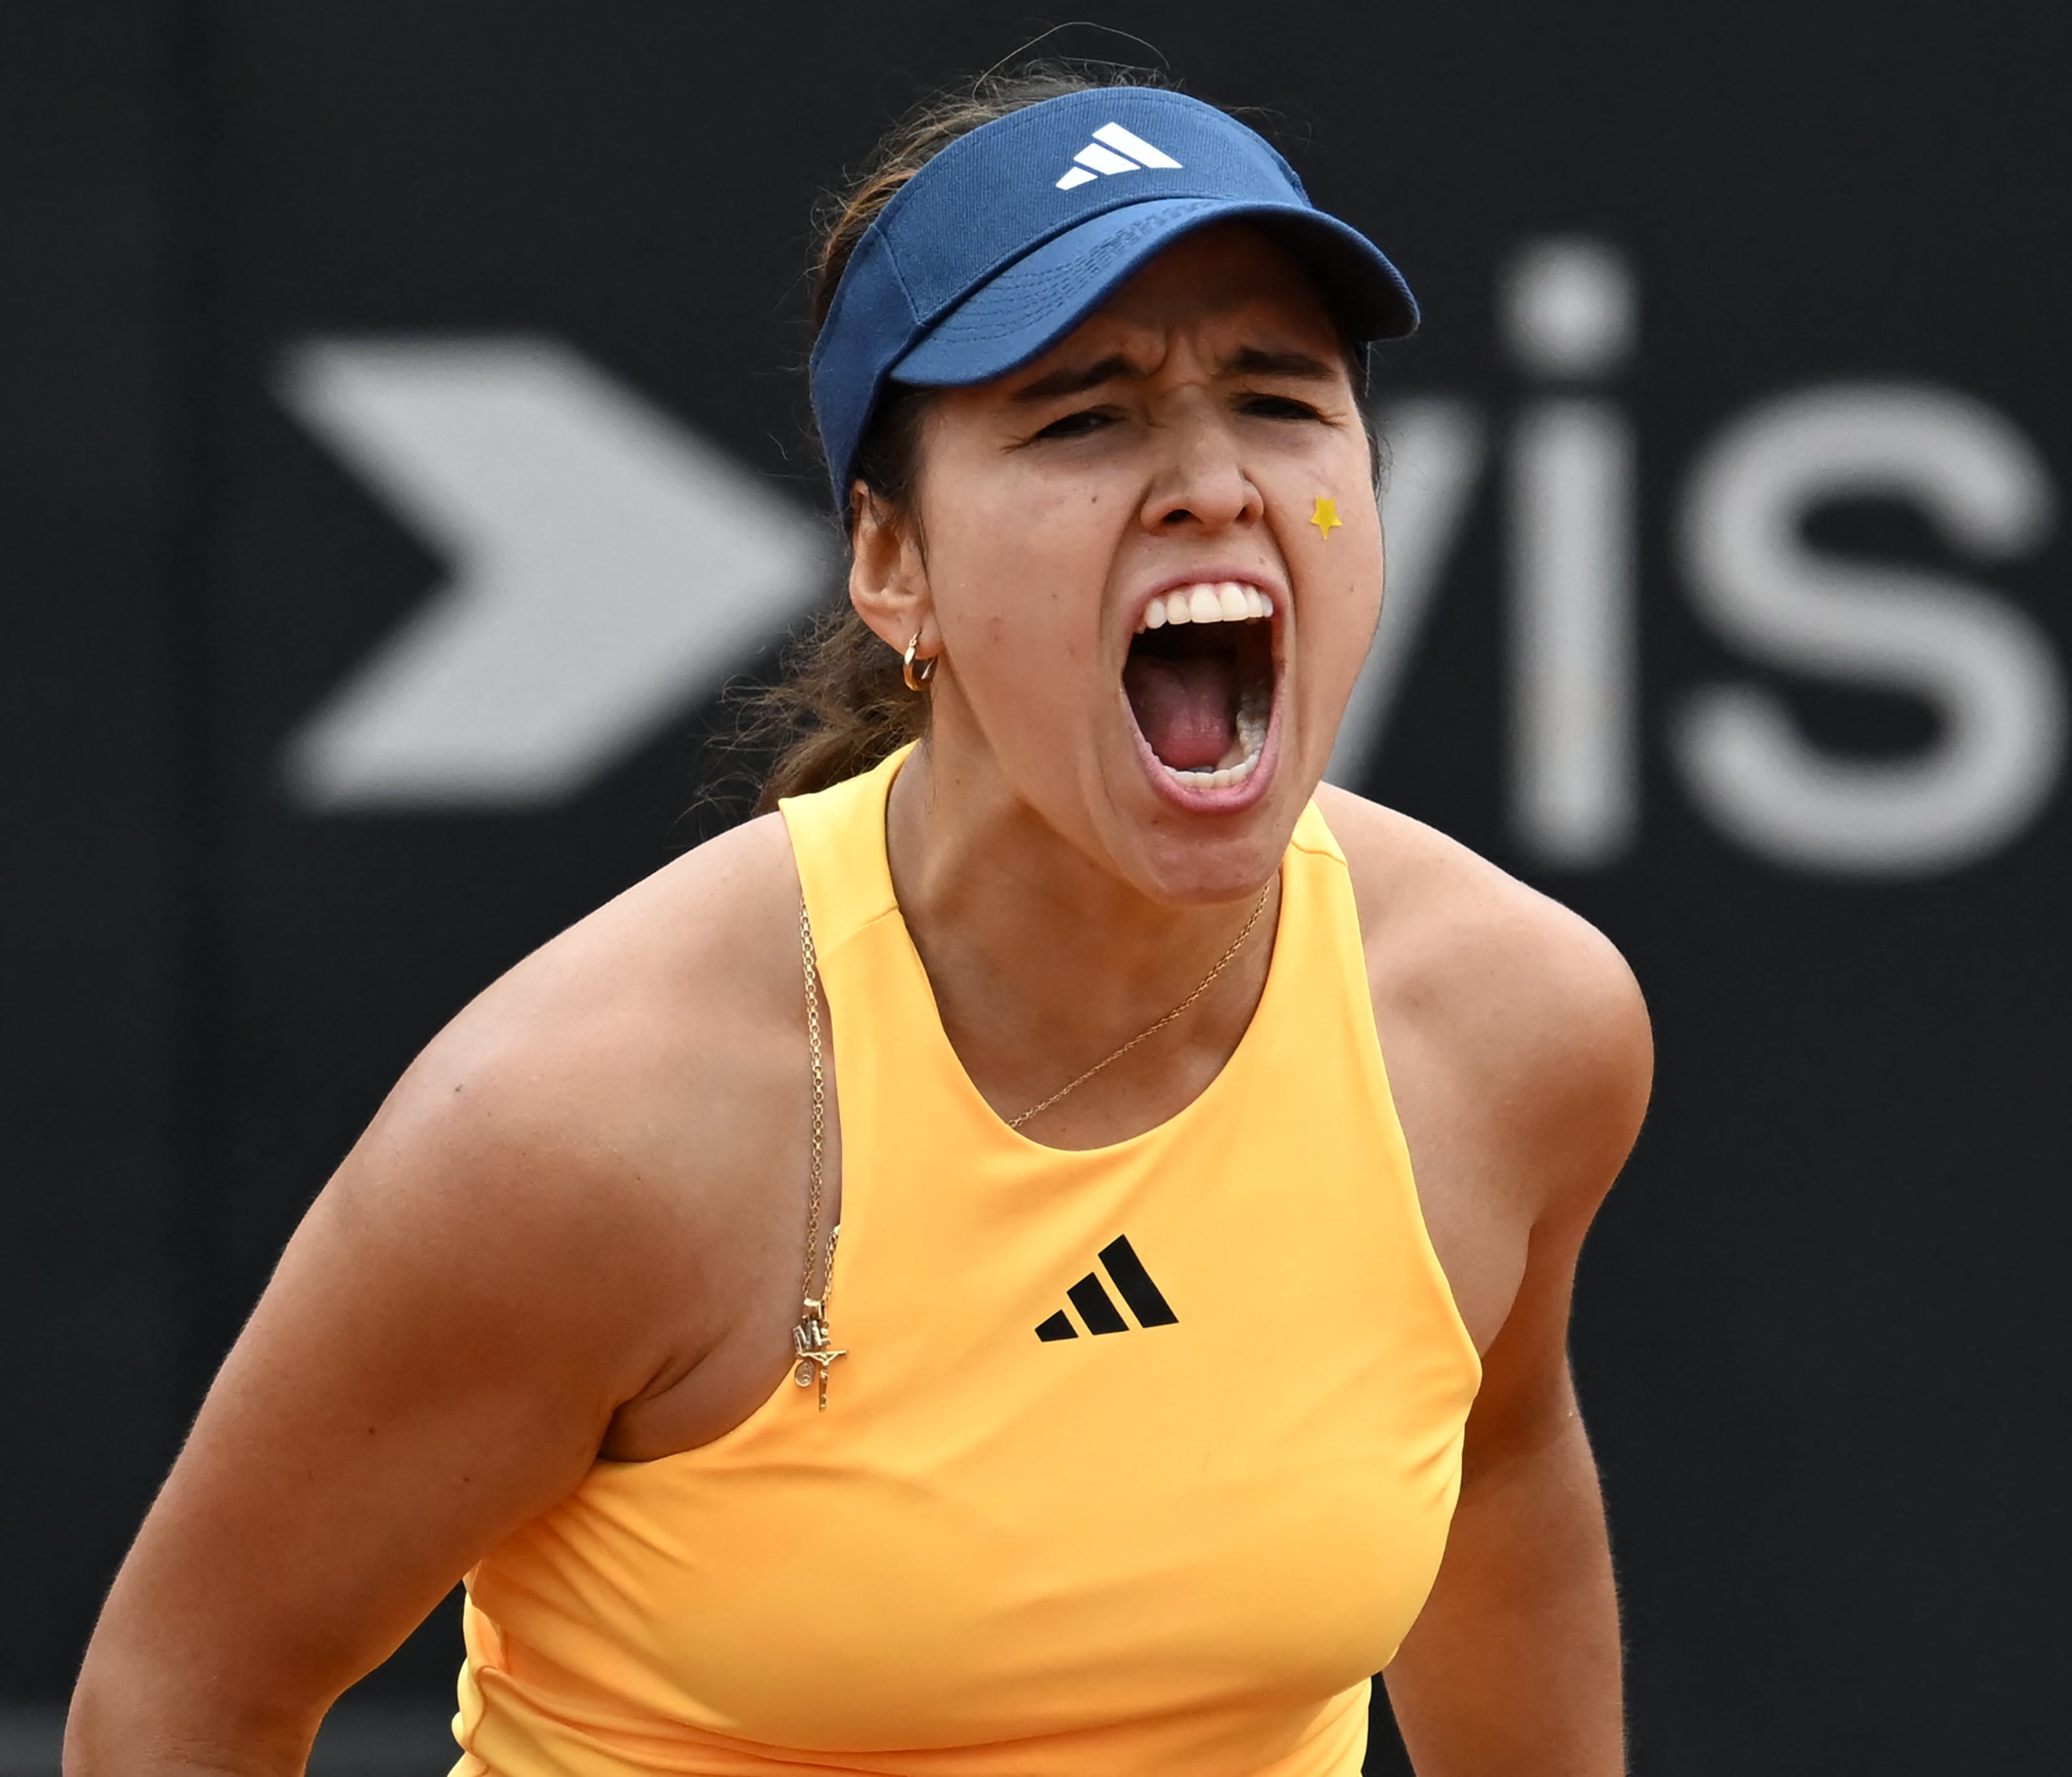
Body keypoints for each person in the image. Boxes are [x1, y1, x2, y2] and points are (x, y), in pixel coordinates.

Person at [69, 63, 1651, 1777]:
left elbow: (1494, 1466)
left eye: (1280, 401)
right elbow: (182, 1702)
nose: (1213, 482)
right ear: (896, 566)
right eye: (1083, 418)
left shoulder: (1510, 1027)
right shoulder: (582, 1129)